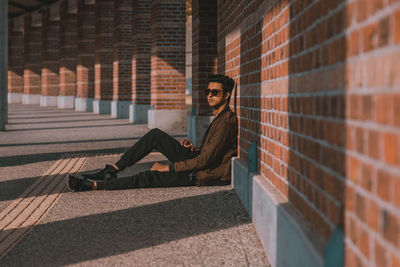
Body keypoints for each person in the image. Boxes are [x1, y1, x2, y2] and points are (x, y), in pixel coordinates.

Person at [67, 74, 238, 191]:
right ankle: (111, 169)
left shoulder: (226, 121)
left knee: (147, 177)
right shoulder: (221, 117)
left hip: (201, 175)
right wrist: (194, 148)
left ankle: (92, 185)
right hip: (198, 162)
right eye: (208, 92)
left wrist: (168, 168)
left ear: (227, 95)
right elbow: (209, 153)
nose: (209, 95)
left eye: (215, 92)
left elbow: (206, 161)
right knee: (155, 135)